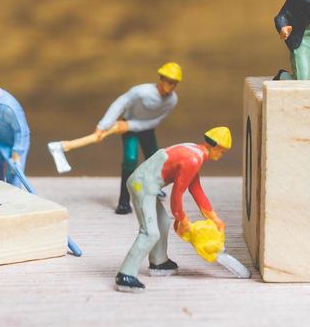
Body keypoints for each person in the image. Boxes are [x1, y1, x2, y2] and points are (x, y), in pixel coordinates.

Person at [114, 127, 231, 293]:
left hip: (146, 183)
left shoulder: (194, 153)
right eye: (222, 152)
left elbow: (196, 190)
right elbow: (176, 195)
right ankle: (125, 275)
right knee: (150, 233)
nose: (220, 157)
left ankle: (159, 262)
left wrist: (214, 218)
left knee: (162, 221)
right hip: (142, 185)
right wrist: (182, 219)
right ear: (214, 146)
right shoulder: (193, 159)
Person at [95, 63, 183, 214]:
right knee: (130, 159)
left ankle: (154, 188)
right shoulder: (140, 92)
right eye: (168, 81)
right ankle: (124, 201)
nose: (171, 86)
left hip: (142, 128)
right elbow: (119, 104)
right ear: (161, 79)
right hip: (129, 129)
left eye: (174, 83)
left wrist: (130, 125)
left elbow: (155, 121)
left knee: (156, 159)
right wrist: (104, 125)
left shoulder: (172, 100)